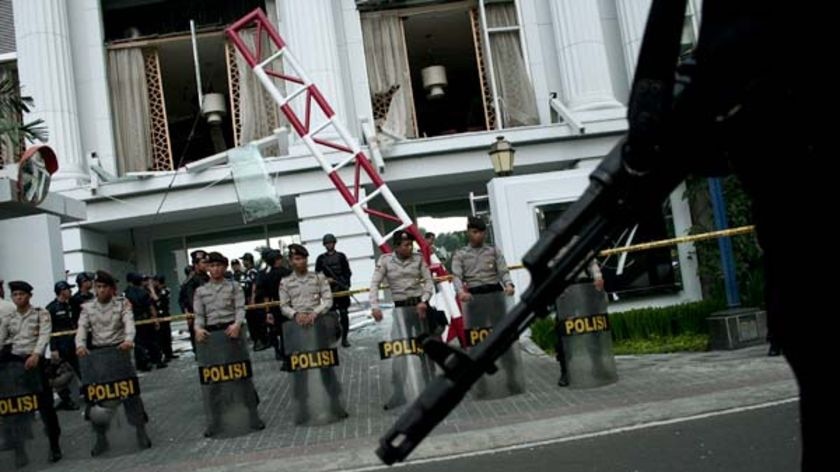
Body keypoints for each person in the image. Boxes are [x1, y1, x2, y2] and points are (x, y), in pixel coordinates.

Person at [75, 270, 151, 456]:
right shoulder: (87, 308)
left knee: (130, 395)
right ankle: (101, 439)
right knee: (97, 399)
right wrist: (80, 345)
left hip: (120, 353)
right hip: (99, 357)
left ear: (112, 289)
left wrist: (129, 339)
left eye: (103, 287)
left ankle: (141, 431)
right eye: (97, 287)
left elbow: (129, 323)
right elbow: (82, 328)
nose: (100, 290)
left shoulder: (122, 304)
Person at [193, 252, 264, 437]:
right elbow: (199, 315)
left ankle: (253, 416)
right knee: (214, 381)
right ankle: (215, 421)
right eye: (212, 266)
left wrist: (237, 325)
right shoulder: (201, 291)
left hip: (232, 335)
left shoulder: (234, 287)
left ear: (225, 267)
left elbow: (240, 308)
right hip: (212, 339)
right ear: (207, 268)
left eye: (219, 265)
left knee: (242, 377)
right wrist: (198, 329)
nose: (215, 269)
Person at [451, 216, 523, 397]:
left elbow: (503, 271)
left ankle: (512, 377)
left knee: (503, 337)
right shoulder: (460, 254)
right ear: (468, 232)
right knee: (477, 341)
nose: (478, 236)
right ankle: (479, 383)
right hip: (475, 298)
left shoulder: (493, 251)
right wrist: (460, 291)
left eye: (481, 232)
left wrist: (509, 285)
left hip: (495, 295)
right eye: (475, 232)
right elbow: (457, 276)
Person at [278, 244, 348, 424]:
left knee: (325, 366)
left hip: (318, 326)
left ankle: (335, 403)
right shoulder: (286, 282)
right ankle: (302, 407)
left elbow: (328, 300)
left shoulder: (318, 278)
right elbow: (284, 305)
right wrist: (296, 314)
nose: (300, 262)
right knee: (301, 369)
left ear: (306, 260)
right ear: (291, 261)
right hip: (298, 329)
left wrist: (315, 313)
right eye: (296, 259)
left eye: (302, 258)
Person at [369, 230, 435, 409]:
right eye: (406, 245)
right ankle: (399, 393)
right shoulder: (385, 261)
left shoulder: (419, 258)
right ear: (396, 246)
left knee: (426, 349)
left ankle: (432, 389)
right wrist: (374, 306)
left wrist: (424, 300)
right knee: (400, 352)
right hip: (400, 310)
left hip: (419, 309)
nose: (410, 247)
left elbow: (429, 282)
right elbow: (374, 284)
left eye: (410, 244)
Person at [0, 280, 63, 466]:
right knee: (14, 409)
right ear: (12, 297)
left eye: (22, 294)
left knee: (46, 407)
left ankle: (54, 446)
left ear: (29, 296)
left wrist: (36, 354)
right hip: (15, 366)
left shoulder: (40, 313)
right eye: (15, 295)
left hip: (35, 363)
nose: (19, 298)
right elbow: (2, 338)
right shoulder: (9, 318)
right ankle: (20, 451)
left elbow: (44, 335)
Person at [554, 260, 604, 387]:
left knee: (591, 327)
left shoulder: (577, 240)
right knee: (564, 332)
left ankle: (598, 366)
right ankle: (565, 371)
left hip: (583, 286)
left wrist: (597, 276)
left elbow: (591, 262)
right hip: (563, 291)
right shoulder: (550, 242)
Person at [46, 280, 81, 409]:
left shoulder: (71, 305)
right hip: (61, 347)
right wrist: (53, 349)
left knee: (82, 369)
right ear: (61, 291)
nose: (70, 291)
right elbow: (49, 330)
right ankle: (66, 400)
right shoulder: (51, 308)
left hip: (74, 344)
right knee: (61, 376)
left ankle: (91, 395)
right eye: (68, 289)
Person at [315, 233, 353, 347]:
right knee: (332, 316)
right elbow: (317, 275)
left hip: (341, 288)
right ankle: (335, 336)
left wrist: (346, 285)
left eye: (331, 243)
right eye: (327, 243)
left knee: (344, 314)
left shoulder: (341, 256)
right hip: (329, 291)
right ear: (324, 245)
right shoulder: (321, 259)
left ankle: (345, 339)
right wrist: (326, 280)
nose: (329, 245)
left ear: (334, 243)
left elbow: (347, 272)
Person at [124, 273, 164, 371]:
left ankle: (143, 364)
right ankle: (157, 361)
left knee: (138, 343)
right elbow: (151, 307)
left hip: (134, 320)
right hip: (146, 319)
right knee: (152, 341)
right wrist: (155, 320)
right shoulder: (143, 293)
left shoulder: (126, 293)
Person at [152, 275, 177, 361]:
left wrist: (152, 291)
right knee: (161, 336)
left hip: (164, 314)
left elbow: (158, 301)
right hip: (159, 316)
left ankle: (168, 353)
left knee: (166, 335)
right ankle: (165, 353)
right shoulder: (156, 290)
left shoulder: (165, 290)